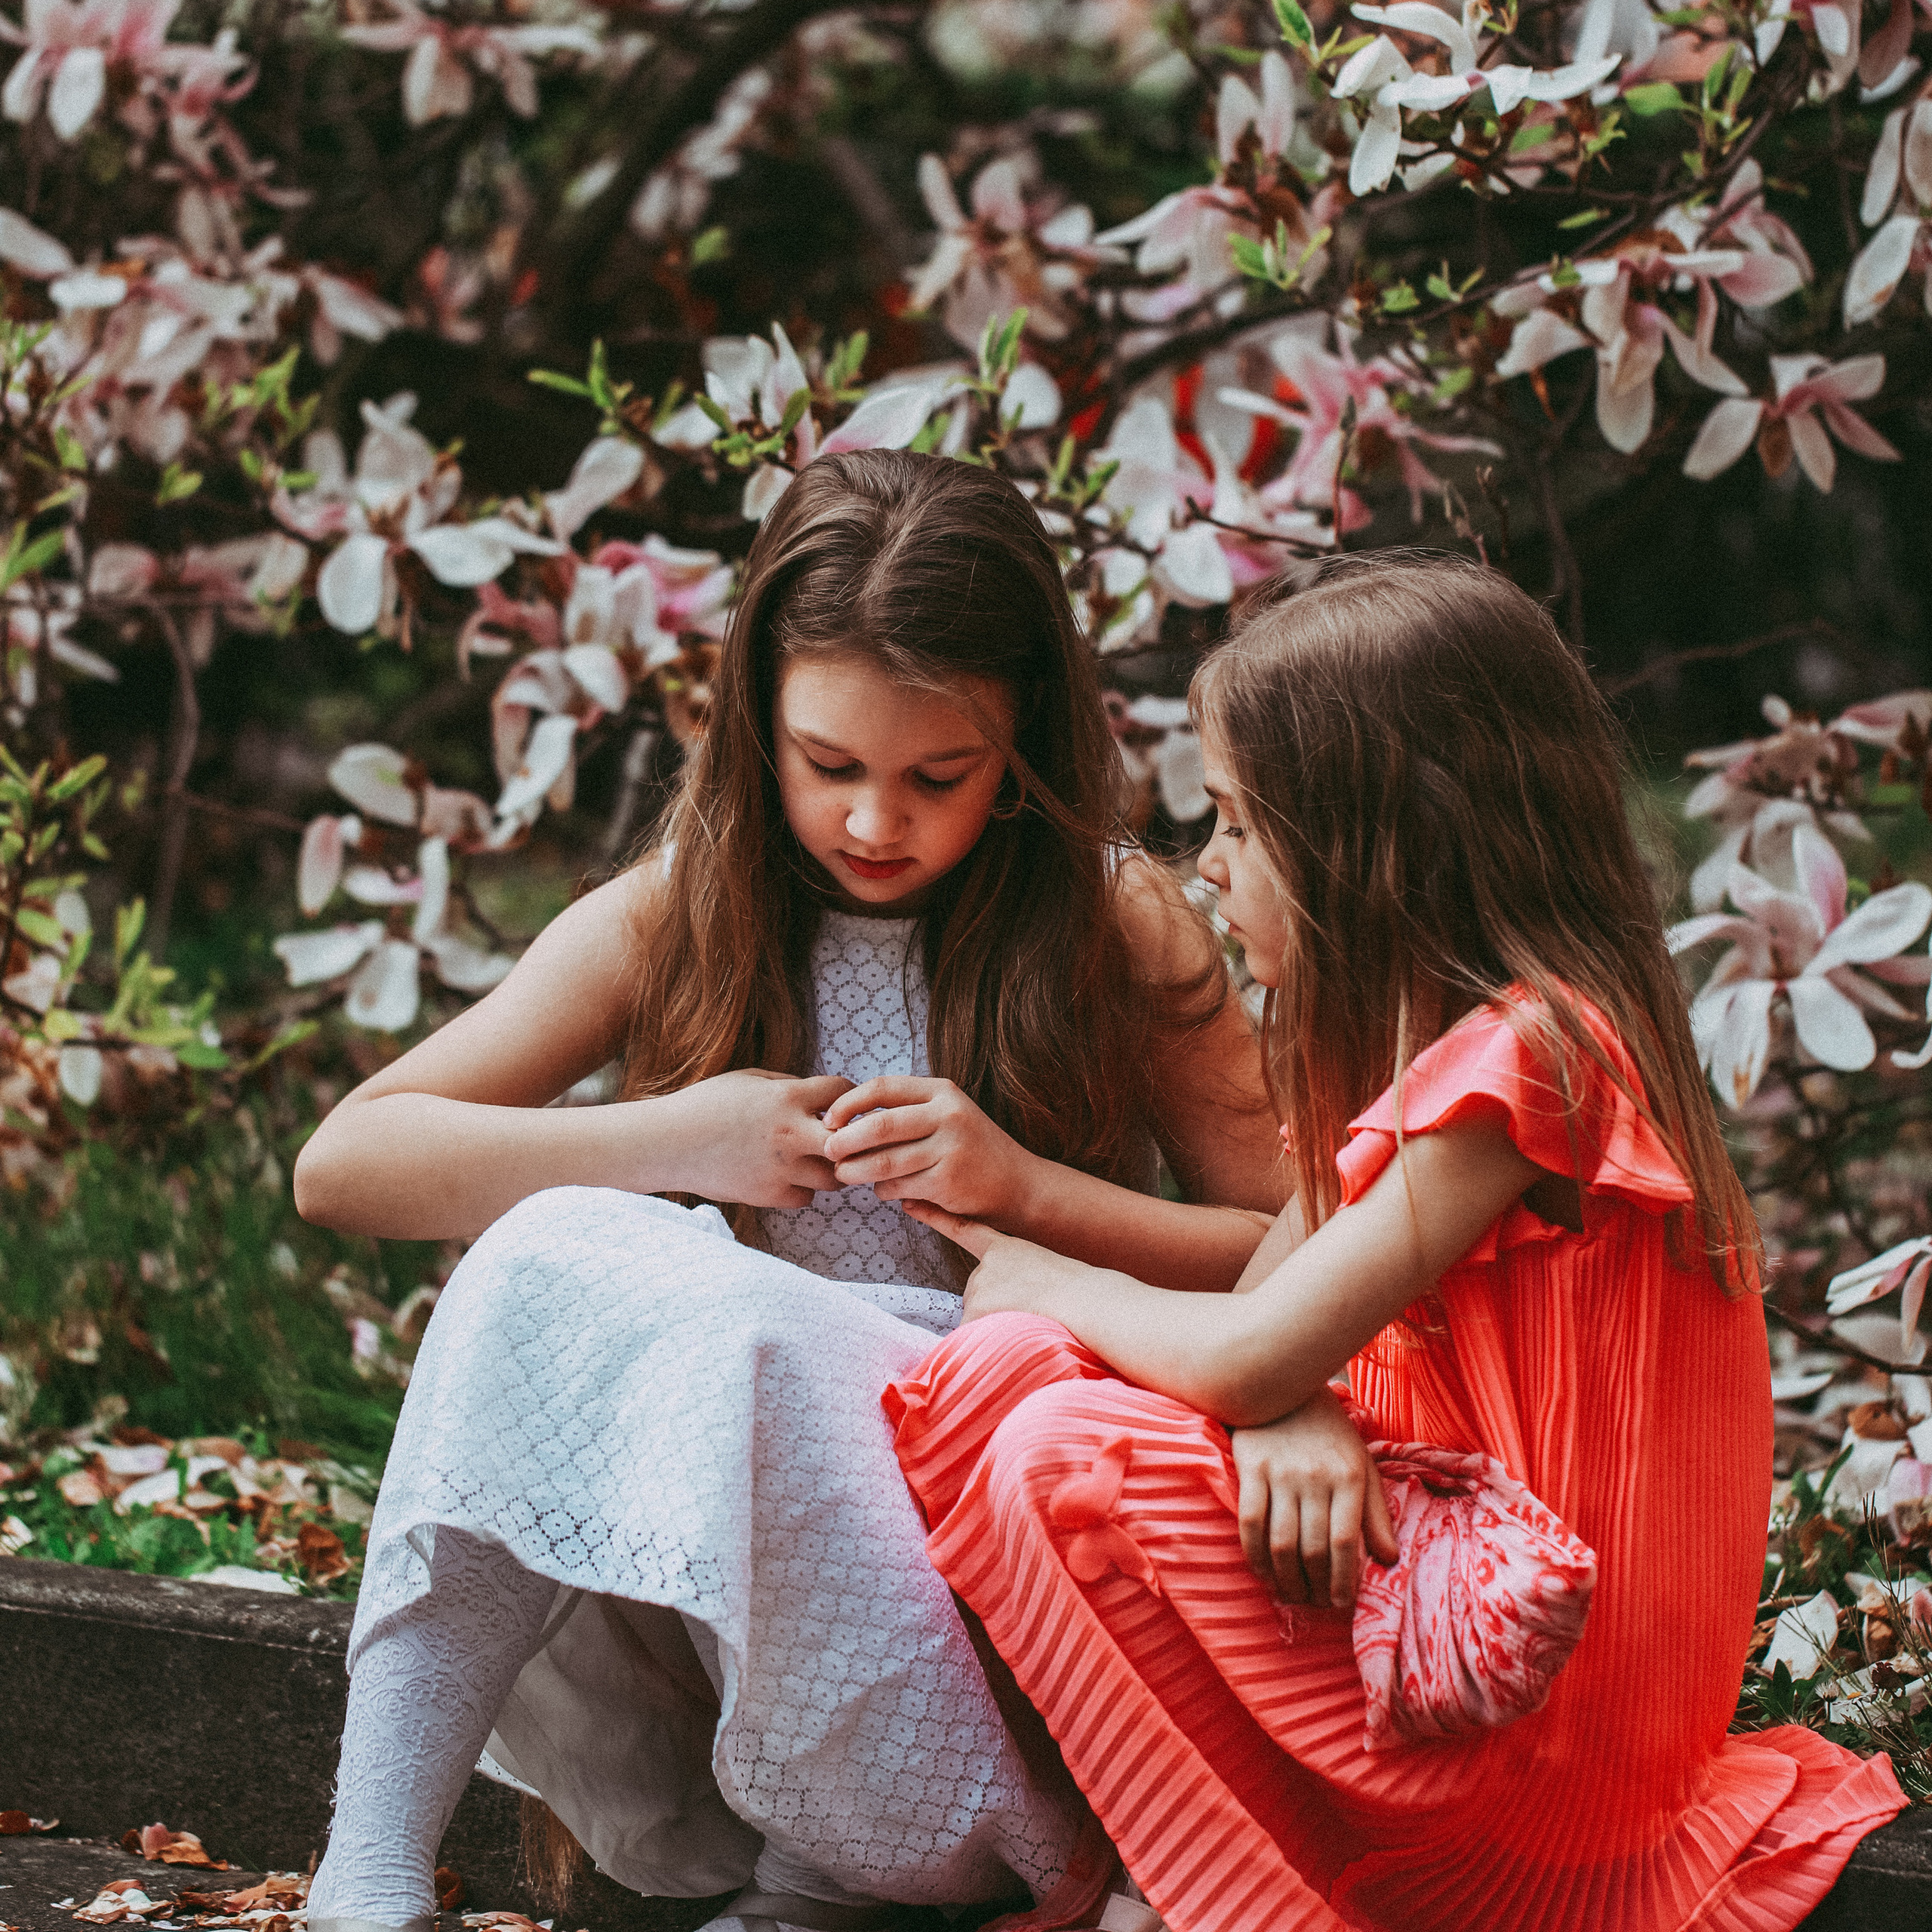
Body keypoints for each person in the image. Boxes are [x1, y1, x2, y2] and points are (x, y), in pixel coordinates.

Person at [293, 450, 1286, 1932]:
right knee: (563, 1251)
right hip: (722, 1540)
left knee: (736, 1334)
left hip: (979, 1515)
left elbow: (1301, 1255)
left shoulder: (1111, 920)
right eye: (829, 764)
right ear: (755, 720)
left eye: (936, 776)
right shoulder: (689, 901)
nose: (874, 821)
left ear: (1023, 743)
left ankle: (866, 1869)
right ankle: (367, 1864)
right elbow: (345, 1164)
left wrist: (1027, 1192)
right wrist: (676, 1139)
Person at [887, 552, 1908, 1932]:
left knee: (1052, 1437)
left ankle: (1239, 1905)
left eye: (1242, 827)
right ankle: (1168, 1875)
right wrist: (1281, 1398)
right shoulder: (1416, 1058)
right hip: (1436, 1644)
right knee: (1007, 1379)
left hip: (1532, 1725)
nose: (1209, 873)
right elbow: (1265, 1314)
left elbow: (1245, 1350)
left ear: (1373, 842)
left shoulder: (1535, 1057)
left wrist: (1038, 1266)